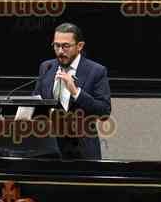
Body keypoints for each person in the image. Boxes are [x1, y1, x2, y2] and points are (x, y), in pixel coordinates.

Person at [33, 22, 111, 159]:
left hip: (82, 150)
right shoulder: (46, 67)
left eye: (65, 46)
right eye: (56, 45)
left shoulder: (96, 71)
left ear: (79, 46)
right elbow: (36, 102)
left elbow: (104, 111)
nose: (60, 51)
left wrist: (76, 92)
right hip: (48, 149)